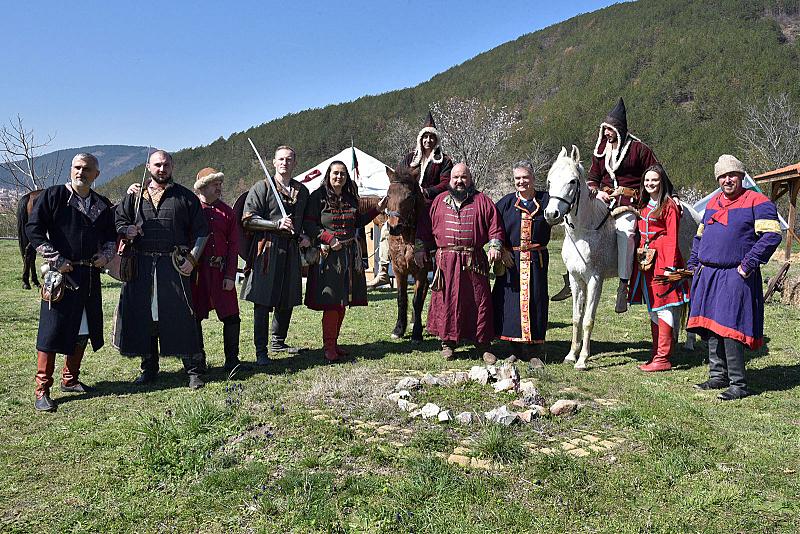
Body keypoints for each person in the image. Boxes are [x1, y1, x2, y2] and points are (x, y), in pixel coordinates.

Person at [26, 153, 116, 411]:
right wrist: (56, 259)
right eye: (77, 167)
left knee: (83, 329)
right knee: (51, 332)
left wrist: (106, 255)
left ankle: (70, 379)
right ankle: (42, 390)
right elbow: (33, 229)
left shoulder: (101, 204)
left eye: (87, 169)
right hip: (60, 277)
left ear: (96, 175)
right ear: (71, 169)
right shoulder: (54, 196)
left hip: (88, 276)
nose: (81, 172)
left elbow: (111, 237)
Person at [687, 155, 781, 400]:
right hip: (708, 273)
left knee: (731, 326)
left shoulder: (758, 201)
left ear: (741, 176)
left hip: (735, 274)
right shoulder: (713, 203)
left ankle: (738, 384)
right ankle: (717, 376)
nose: (727, 180)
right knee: (711, 325)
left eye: (732, 175)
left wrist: (748, 264)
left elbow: (772, 235)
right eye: (723, 176)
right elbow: (700, 236)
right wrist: (694, 263)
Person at [114, 150, 210, 388]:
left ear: (172, 166)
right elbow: (118, 221)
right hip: (141, 266)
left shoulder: (185, 197)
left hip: (174, 266)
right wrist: (127, 230)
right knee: (145, 317)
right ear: (148, 167)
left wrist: (192, 259)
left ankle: (194, 370)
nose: (162, 169)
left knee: (183, 317)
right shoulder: (134, 197)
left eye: (166, 165)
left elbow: (202, 231)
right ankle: (149, 368)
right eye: (157, 165)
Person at [552, 98, 659, 312]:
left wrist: (671, 194)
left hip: (628, 203)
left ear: (619, 130)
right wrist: (596, 190)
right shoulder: (601, 148)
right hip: (604, 198)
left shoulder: (639, 149)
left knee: (626, 232)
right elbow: (593, 176)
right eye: (605, 129)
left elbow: (657, 172)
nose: (607, 133)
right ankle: (571, 274)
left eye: (610, 130)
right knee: (578, 221)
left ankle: (623, 285)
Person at [415, 163, 504, 363]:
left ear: (470, 179)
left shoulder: (482, 201)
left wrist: (495, 246)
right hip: (446, 262)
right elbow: (424, 228)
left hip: (474, 261)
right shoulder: (438, 201)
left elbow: (495, 226)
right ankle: (448, 343)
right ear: (450, 180)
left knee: (479, 301)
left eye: (463, 177)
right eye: (455, 177)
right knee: (447, 301)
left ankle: (483, 345)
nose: (459, 181)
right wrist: (420, 249)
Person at [303, 161, 386, 361]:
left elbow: (358, 222)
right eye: (335, 173)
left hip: (349, 255)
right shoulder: (317, 197)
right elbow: (309, 225)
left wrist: (377, 209)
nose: (339, 177)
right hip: (328, 257)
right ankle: (328, 347)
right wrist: (328, 239)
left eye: (342, 174)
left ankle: (335, 343)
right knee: (332, 301)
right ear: (328, 175)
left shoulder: (350, 198)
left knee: (342, 300)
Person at [240, 145, 310, 364]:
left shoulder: (302, 191)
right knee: (262, 300)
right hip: (267, 250)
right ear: (274, 162)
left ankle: (278, 341)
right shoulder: (262, 187)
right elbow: (248, 219)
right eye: (281, 159)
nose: (284, 163)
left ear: (295, 163)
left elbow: (306, 220)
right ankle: (261, 351)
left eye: (289, 159)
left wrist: (305, 235)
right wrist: (275, 224)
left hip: (291, 249)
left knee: (287, 296)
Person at [368, 111, 453, 288]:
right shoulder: (410, 158)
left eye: (431, 137)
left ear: (436, 140)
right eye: (425, 137)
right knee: (386, 229)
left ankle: (439, 267)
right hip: (408, 205)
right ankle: (383, 270)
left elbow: (446, 184)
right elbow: (398, 177)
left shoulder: (444, 161)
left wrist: (427, 191)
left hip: (431, 204)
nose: (428, 140)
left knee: (440, 230)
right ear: (420, 139)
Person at [628, 164, 689, 372]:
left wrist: (670, 267)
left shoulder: (669, 205)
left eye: (654, 180)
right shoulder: (643, 204)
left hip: (663, 259)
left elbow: (672, 237)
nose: (650, 183)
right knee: (654, 306)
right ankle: (657, 353)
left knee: (664, 305)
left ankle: (663, 357)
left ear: (662, 181)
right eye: (647, 180)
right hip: (647, 260)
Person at [492, 161, 552, 361]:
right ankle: (515, 350)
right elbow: (494, 228)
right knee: (511, 304)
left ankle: (534, 351)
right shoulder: (506, 203)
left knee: (537, 301)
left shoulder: (546, 200)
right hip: (512, 261)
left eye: (525, 177)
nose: (521, 181)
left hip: (537, 260)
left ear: (533, 178)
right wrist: (502, 250)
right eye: (517, 178)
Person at [191, 168, 244, 372]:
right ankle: (199, 362)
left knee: (231, 316)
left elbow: (233, 246)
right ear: (203, 187)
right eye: (215, 184)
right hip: (198, 273)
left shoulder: (227, 212)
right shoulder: (192, 210)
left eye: (220, 184)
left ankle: (232, 361)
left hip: (221, 271)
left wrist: (230, 275)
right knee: (195, 316)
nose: (219, 187)